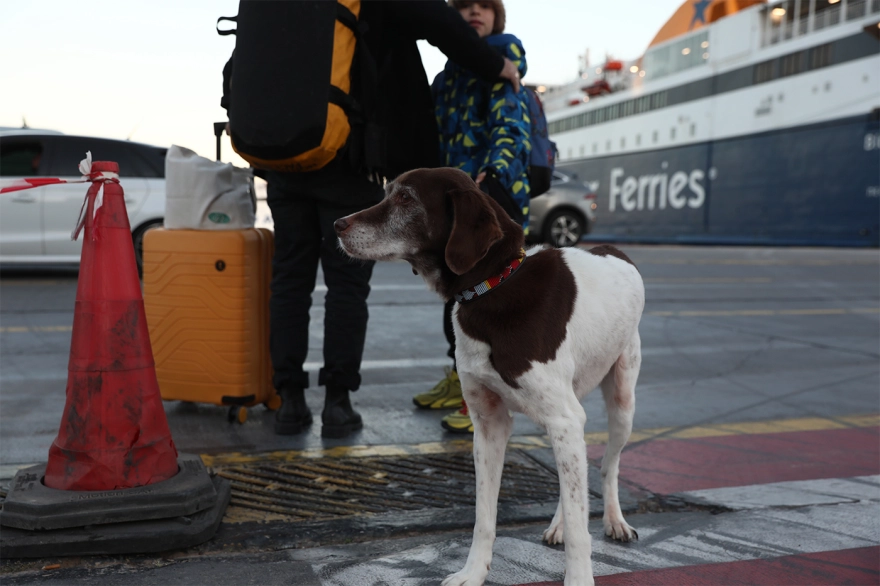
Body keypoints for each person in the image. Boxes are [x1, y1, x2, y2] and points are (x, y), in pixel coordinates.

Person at [222, 1, 522, 439]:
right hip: (352, 158)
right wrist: (497, 65)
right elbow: (440, 23)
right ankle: (338, 406)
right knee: (346, 287)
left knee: (288, 282)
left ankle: (290, 401)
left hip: (283, 162)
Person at [412, 0, 532, 434]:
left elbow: (510, 125)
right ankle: (462, 378)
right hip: (455, 205)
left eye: (484, 5)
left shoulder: (504, 57)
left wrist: (492, 174)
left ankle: (491, 391)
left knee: (492, 298)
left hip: (493, 197)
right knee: (458, 294)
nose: (474, 12)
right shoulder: (446, 78)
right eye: (463, 6)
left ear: (497, 16)